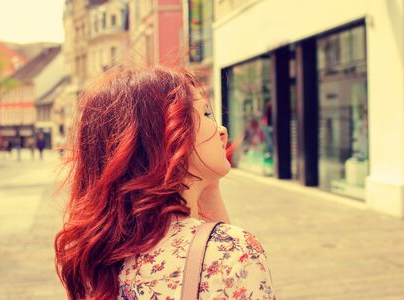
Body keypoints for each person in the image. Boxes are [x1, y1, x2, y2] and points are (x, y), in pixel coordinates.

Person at [54, 65, 276, 300]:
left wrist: (208, 186)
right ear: (171, 136)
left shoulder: (96, 258)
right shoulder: (232, 251)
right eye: (206, 114)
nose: (222, 131)